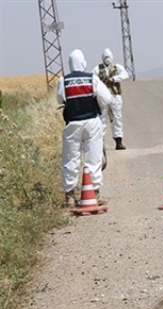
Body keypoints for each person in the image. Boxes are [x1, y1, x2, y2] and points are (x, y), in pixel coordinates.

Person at [57, 49, 114, 207]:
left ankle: (69, 196)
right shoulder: (92, 78)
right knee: (93, 158)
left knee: (70, 159)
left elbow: (60, 99)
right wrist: (100, 109)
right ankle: (94, 194)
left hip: (72, 123)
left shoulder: (63, 81)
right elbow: (107, 98)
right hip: (91, 122)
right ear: (83, 62)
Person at [92, 48, 130, 150]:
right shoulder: (97, 69)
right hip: (102, 98)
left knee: (117, 118)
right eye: (105, 57)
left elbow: (125, 75)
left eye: (109, 57)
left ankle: (119, 142)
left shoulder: (117, 67)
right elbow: (93, 80)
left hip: (115, 96)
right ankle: (100, 143)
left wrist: (114, 79)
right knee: (102, 120)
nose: (107, 59)